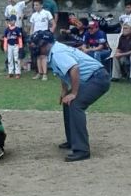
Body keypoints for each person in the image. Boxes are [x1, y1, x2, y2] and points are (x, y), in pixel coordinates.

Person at [32, 30, 111, 162]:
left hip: (98, 79)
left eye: (36, 44)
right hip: (93, 78)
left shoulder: (57, 53)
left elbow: (74, 68)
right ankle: (72, 140)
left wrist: (73, 93)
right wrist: (65, 91)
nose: (34, 47)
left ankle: (82, 150)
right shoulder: (54, 51)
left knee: (75, 104)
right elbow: (63, 72)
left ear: (44, 44)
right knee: (67, 101)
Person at [28, 0, 53, 79]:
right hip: (36, 37)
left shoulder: (47, 13)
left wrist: (50, 33)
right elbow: (32, 27)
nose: (35, 7)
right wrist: (31, 38)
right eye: (34, 5)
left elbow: (52, 23)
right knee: (38, 56)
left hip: (44, 36)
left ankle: (45, 74)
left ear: (41, 5)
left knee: (43, 55)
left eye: (37, 5)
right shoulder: (34, 15)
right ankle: (39, 72)